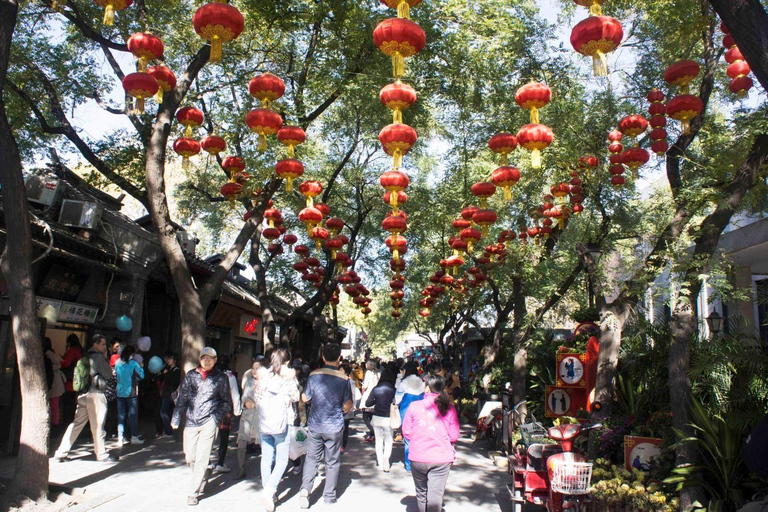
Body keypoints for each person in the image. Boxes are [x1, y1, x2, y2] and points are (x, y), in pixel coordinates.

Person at [172, 347, 232, 507]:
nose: (207, 360)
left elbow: (226, 403)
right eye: (204, 357)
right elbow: (182, 398)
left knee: (202, 457)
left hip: (209, 422)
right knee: (190, 456)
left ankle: (193, 492)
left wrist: (214, 418)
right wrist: (176, 417)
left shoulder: (221, 378)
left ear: (215, 360)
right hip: (191, 421)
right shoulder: (191, 375)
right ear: (199, 359)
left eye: (210, 358)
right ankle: (204, 472)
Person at [299, 343, 353, 509]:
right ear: (339, 358)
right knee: (332, 461)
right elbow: (348, 405)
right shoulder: (344, 379)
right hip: (335, 426)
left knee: (311, 458)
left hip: (315, 424)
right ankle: (329, 496)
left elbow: (305, 398)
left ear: (323, 357)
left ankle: (305, 490)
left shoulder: (314, 375)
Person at [53, 334, 118, 463]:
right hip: (96, 395)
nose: (105, 347)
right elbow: (108, 374)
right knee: (98, 425)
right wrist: (105, 358)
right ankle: (102, 454)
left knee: (76, 424)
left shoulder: (84, 356)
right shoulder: (98, 357)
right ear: (96, 344)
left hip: (83, 394)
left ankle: (61, 452)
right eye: (103, 344)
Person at [402, 374, 460, 512]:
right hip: (441, 458)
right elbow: (454, 435)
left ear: (427, 388)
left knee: (421, 494)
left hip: (418, 456)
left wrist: (420, 438)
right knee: (435, 495)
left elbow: (407, 432)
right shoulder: (449, 408)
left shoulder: (414, 406)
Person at [256, 348, 300, 511]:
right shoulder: (289, 376)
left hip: (265, 422)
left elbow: (257, 397)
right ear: (287, 362)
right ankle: (269, 491)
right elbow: (295, 396)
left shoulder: (263, 375)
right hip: (283, 421)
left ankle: (268, 490)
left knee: (266, 457)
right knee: (282, 459)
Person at [235, 357, 265, 479]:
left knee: (265, 445)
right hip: (247, 416)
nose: (254, 370)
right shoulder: (249, 382)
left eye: (257, 368)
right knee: (241, 442)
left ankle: (266, 473)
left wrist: (256, 405)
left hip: (261, 418)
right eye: (253, 368)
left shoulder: (267, 383)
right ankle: (241, 469)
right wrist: (245, 401)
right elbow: (244, 396)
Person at [212, 354, 242, 473]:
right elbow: (235, 393)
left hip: (212, 409)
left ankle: (207, 462)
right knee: (224, 438)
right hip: (224, 409)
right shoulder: (230, 377)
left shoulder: (212, 375)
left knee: (210, 436)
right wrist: (237, 410)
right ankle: (220, 463)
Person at [396, 361, 425, 472]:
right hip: (421, 412)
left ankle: (409, 465)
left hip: (406, 412)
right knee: (420, 437)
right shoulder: (422, 383)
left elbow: (397, 400)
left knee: (408, 439)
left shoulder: (403, 383)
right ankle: (420, 462)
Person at [365, 368, 397, 472]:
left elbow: (367, 403)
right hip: (389, 418)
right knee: (388, 440)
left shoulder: (376, 389)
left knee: (378, 441)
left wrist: (376, 401)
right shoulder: (393, 389)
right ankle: (386, 458)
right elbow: (396, 403)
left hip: (377, 417)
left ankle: (380, 462)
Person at [114, 345, 145, 445]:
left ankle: (120, 438)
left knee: (121, 415)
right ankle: (134, 436)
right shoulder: (133, 363)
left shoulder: (117, 363)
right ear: (132, 354)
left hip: (119, 391)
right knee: (132, 415)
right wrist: (141, 367)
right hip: (130, 392)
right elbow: (141, 376)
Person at [59, 334, 83, 426]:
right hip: (77, 380)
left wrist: (57, 363)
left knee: (67, 404)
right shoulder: (80, 350)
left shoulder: (72, 350)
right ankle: (70, 422)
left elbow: (66, 363)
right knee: (72, 403)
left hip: (69, 381)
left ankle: (66, 423)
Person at [43, 337, 65, 427]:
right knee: (54, 405)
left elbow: (58, 365)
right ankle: (55, 423)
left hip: (54, 382)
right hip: (55, 382)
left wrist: (48, 369)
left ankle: (55, 424)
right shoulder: (50, 352)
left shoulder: (48, 353)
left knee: (54, 405)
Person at [159, 351, 181, 437]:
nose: (169, 360)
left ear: (175, 360)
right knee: (167, 412)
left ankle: (169, 431)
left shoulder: (176, 370)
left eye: (171, 359)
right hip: (165, 393)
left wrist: (166, 374)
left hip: (170, 394)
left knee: (163, 412)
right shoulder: (167, 369)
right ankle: (168, 430)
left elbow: (173, 381)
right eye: (168, 358)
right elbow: (160, 378)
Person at [359, 360, 379, 443]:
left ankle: (374, 432)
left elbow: (365, 385)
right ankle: (372, 435)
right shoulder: (378, 373)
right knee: (371, 417)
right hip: (375, 394)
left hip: (368, 394)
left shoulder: (368, 373)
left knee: (365, 417)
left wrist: (363, 386)